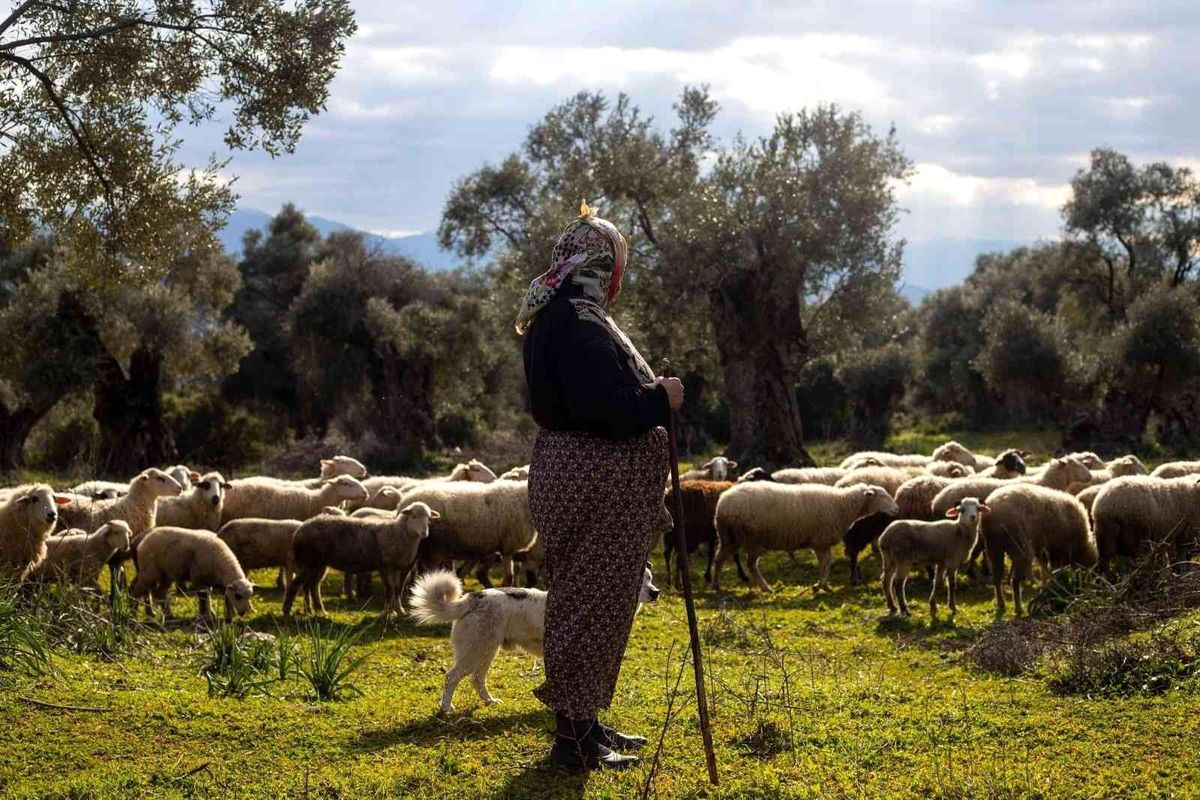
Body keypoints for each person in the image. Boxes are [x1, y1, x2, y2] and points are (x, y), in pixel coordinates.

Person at [518, 201, 685, 770]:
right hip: (597, 483)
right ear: (600, 263)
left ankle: (585, 724)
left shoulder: (555, 316)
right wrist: (662, 399)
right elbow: (606, 410)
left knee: (589, 602)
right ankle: (572, 741)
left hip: (573, 477)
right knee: (590, 605)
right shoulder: (581, 324)